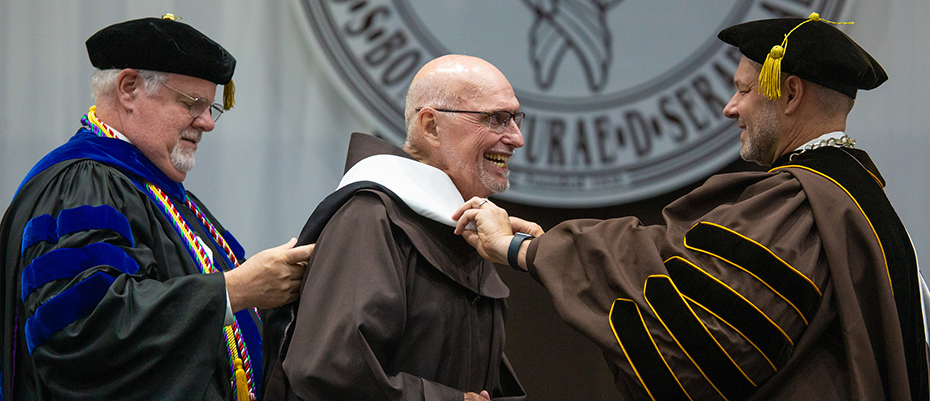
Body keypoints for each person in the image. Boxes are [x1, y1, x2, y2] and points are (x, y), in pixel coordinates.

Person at [453, 14, 929, 400]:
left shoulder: (801, 203)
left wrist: (519, 250)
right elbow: (683, 260)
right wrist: (543, 245)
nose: (730, 107)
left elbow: (704, 334)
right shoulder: (860, 197)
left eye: (743, 89)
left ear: (789, 93)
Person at [0, 15, 312, 400]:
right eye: (192, 103)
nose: (207, 123)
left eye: (211, 108)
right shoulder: (83, 184)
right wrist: (234, 291)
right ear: (129, 88)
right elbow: (82, 333)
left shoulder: (157, 192)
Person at [262, 55, 526, 400]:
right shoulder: (370, 217)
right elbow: (327, 370)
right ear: (430, 125)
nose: (516, 139)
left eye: (515, 119)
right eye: (496, 119)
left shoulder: (456, 226)